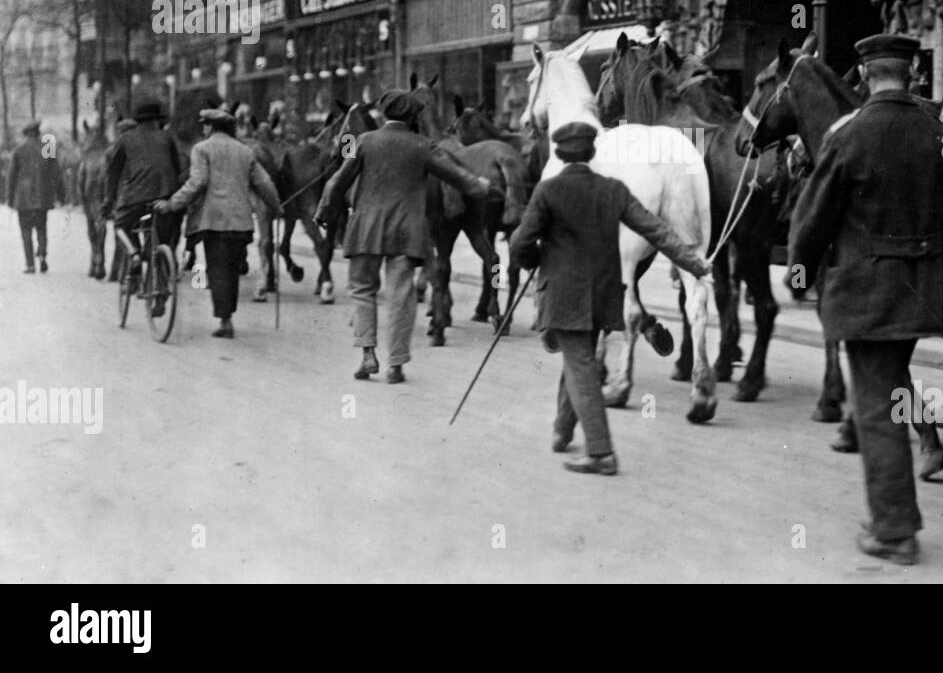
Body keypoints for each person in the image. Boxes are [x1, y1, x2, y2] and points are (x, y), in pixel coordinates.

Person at [788, 35, 943, 565]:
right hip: (918, 288)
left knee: (876, 409)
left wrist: (801, 274)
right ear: (913, 74)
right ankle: (905, 505)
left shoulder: (847, 136)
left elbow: (812, 220)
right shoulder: (938, 133)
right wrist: (928, 234)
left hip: (863, 291)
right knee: (891, 392)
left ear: (863, 74)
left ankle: (895, 531)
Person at [508, 121, 712, 476]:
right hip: (604, 294)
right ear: (592, 153)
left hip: (563, 294)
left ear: (559, 153)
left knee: (580, 365)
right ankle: (562, 427)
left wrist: (535, 261)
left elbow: (519, 245)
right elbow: (657, 231)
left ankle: (601, 452)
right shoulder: (613, 189)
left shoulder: (548, 191)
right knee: (580, 357)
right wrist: (693, 263)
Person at [317, 89, 492, 384]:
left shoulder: (363, 141)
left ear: (384, 114)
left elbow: (338, 181)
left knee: (362, 290)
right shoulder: (424, 145)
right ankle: (396, 364)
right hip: (406, 231)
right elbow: (459, 178)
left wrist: (324, 212)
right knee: (401, 295)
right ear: (413, 116)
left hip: (366, 230)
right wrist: (483, 186)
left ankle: (367, 355)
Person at [154, 108, 281, 338]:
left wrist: (173, 203)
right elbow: (264, 183)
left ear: (211, 127)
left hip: (213, 221)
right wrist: (276, 206)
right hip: (242, 223)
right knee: (231, 270)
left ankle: (225, 320)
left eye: (205, 125)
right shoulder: (245, 151)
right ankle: (227, 315)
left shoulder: (201, 149)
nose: (203, 129)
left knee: (218, 270)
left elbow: (197, 182)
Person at [102, 101, 186, 291]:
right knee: (162, 241)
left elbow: (113, 172)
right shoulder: (167, 137)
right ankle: (160, 290)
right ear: (157, 120)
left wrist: (108, 200)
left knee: (120, 225)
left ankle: (134, 254)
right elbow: (177, 169)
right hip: (164, 198)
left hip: (135, 198)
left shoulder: (125, 139)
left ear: (138, 121)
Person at [6, 121, 65, 273]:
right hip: (42, 197)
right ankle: (42, 255)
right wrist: (61, 195)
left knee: (25, 232)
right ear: (38, 133)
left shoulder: (18, 150)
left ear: (26, 134)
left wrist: (10, 198)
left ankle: (30, 264)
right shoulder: (47, 148)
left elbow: (11, 176)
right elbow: (56, 174)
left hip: (23, 198)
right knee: (41, 228)